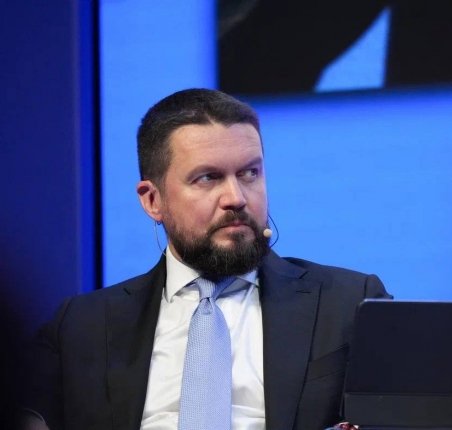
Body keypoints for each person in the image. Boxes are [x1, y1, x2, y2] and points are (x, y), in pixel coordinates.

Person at [20, 88, 391, 430]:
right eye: (208, 178)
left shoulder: (349, 302)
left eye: (250, 173)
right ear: (152, 200)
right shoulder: (81, 326)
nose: (236, 198)